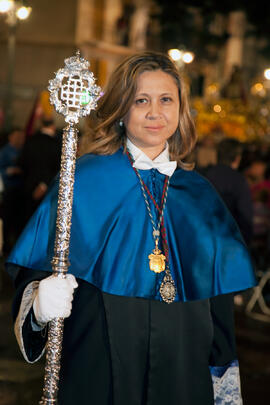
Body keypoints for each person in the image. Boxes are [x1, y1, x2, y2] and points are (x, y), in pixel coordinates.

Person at [6, 51, 256, 405]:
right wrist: (39, 305)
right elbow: (35, 274)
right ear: (122, 109)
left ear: (181, 110)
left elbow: (218, 306)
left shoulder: (201, 195)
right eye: (141, 100)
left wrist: (224, 392)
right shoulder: (83, 180)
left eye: (166, 100)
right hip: (99, 363)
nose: (155, 112)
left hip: (183, 367)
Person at [204, 138, 253, 246]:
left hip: (206, 239)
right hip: (230, 241)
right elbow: (245, 216)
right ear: (237, 158)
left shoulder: (204, 176)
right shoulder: (239, 180)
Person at [17, 118, 61, 223]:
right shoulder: (57, 143)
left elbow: (22, 163)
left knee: (28, 221)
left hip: (28, 187)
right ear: (53, 126)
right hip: (49, 187)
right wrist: (44, 185)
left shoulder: (30, 140)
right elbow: (58, 167)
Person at [0, 128, 25, 254]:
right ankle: (5, 245)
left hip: (20, 190)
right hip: (8, 189)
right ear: (11, 137)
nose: (20, 140)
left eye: (21, 137)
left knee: (18, 219)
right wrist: (10, 171)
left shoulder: (23, 151)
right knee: (7, 219)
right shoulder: (5, 152)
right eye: (17, 137)